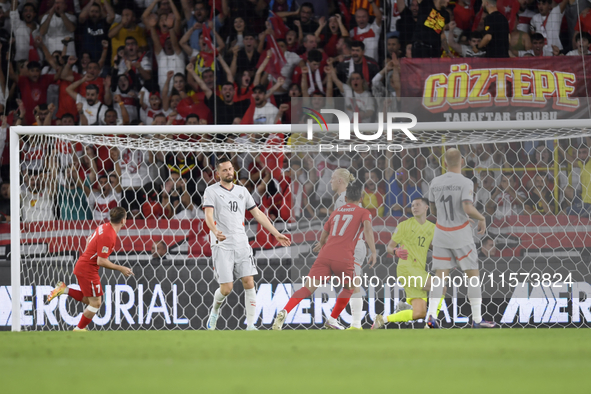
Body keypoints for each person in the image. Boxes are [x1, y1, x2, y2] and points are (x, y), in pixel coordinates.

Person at [272, 181, 377, 330]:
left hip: (325, 255)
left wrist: (321, 243)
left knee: (307, 288)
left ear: (345, 199)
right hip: (344, 256)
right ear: (360, 199)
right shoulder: (363, 212)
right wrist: (373, 251)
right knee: (350, 288)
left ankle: (285, 310)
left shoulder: (336, 212)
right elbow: (367, 230)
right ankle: (332, 319)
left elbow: (325, 230)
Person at [204, 157, 291, 331]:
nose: (229, 172)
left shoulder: (242, 191)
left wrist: (276, 233)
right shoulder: (211, 191)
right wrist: (214, 231)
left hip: (241, 243)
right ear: (218, 173)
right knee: (227, 288)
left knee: (249, 281)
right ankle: (214, 312)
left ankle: (251, 325)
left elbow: (258, 214)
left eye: (230, 169)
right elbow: (208, 214)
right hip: (222, 244)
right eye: (225, 170)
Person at [425, 148, 496, 328]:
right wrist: (481, 218)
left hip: (441, 233)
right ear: (462, 161)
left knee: (440, 277)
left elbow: (432, 210)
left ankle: (431, 317)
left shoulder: (435, 181)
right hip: (461, 234)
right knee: (472, 275)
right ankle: (477, 320)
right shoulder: (466, 182)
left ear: (445, 163)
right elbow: (467, 207)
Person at [46, 207, 133, 331]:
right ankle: (79, 329)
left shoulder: (104, 226)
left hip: (84, 265)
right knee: (96, 303)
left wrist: (88, 255)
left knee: (91, 300)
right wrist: (121, 268)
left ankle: (63, 290)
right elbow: (101, 261)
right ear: (123, 220)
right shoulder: (109, 236)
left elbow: (88, 240)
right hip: (88, 269)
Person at [373, 197, 442, 329]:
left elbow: (435, 248)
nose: (414, 207)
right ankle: (432, 322)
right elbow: (389, 247)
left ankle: (383, 319)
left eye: (418, 205)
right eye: (412, 205)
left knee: (419, 313)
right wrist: (395, 251)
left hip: (420, 270)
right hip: (407, 268)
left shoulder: (432, 228)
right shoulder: (404, 225)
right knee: (440, 286)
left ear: (426, 208)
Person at [329, 169, 367, 329]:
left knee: (353, 284)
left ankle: (356, 323)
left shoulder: (344, 200)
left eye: (332, 178)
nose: (330, 181)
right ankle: (353, 322)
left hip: (352, 247)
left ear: (339, 181)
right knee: (350, 284)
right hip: (351, 246)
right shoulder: (344, 198)